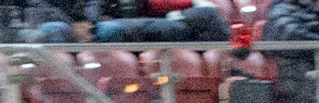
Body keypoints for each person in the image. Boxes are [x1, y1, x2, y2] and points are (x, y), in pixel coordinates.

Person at [23, 0, 229, 45]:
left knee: (203, 16)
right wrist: (82, 24)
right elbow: (38, 10)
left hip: (101, 29)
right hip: (88, 34)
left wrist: (90, 22)